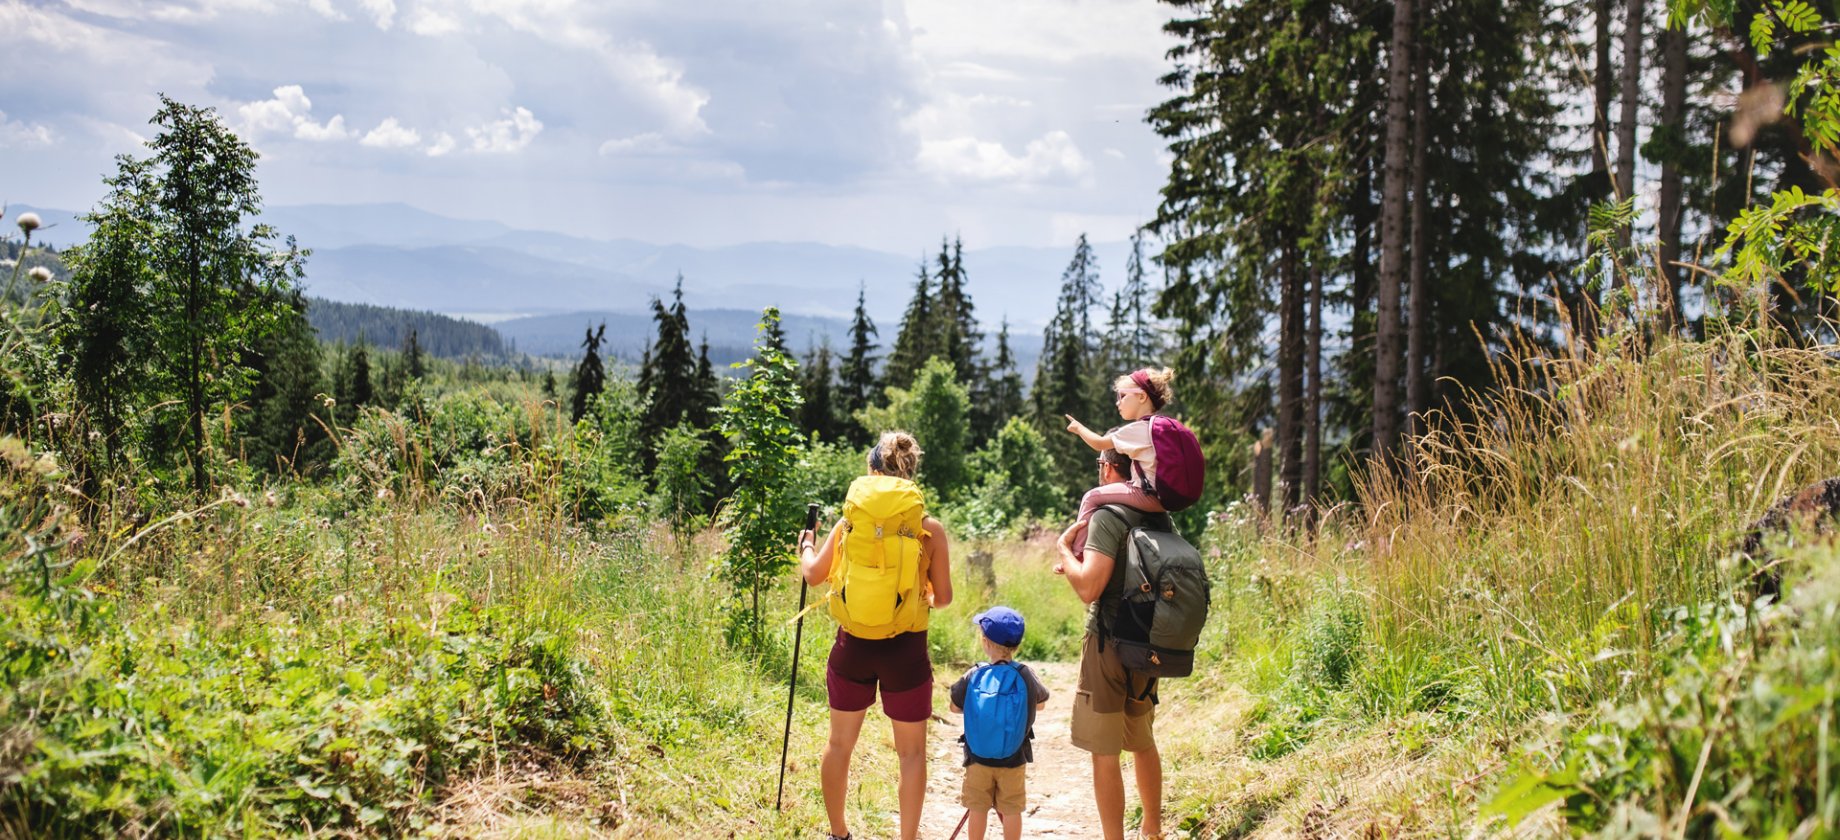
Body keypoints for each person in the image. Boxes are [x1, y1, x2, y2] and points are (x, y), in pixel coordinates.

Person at [798, 431, 954, 840]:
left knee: (839, 746)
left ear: (871, 471)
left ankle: (838, 834)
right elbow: (945, 600)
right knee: (912, 753)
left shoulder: (850, 523)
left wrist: (806, 547)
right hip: (906, 650)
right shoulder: (928, 529)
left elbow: (814, 576)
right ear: (910, 476)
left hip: (853, 647)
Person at [1055, 447, 1166, 840]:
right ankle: (1153, 829)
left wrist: (1065, 551)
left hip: (1108, 643)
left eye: (1099, 464)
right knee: (1142, 741)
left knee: (1106, 752)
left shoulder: (1106, 515)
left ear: (1107, 468)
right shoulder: (1157, 514)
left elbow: (1088, 587)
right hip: (1150, 643)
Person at [948, 606, 1051, 840]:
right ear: (1016, 645)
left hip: (977, 758)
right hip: (1014, 759)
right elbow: (1041, 703)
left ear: (985, 642)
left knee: (978, 808)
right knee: (1012, 809)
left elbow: (954, 707)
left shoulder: (974, 674)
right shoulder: (1025, 674)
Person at [1061, 367, 1177, 559]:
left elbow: (1099, 443)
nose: (1118, 402)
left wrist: (1078, 428)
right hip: (1164, 500)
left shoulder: (1139, 429)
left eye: (1122, 396)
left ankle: (1077, 554)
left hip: (1148, 496)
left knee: (1091, 497)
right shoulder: (1161, 428)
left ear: (1141, 397)